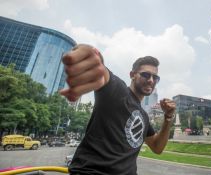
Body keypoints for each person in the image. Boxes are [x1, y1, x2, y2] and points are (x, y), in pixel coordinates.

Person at [60, 44, 176, 175]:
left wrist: (168, 117)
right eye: (145, 75)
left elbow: (157, 147)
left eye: (155, 77)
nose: (151, 80)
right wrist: (88, 55)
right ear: (132, 75)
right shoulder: (117, 90)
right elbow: (101, 71)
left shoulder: (143, 115)